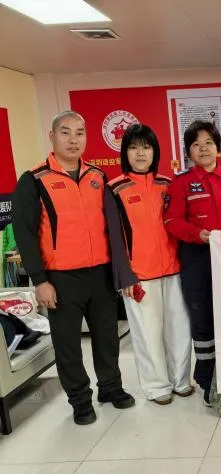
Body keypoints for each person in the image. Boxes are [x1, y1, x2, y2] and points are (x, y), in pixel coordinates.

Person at [11, 111, 134, 425]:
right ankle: (80, 400)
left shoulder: (97, 177)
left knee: (107, 337)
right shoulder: (34, 180)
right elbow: (25, 234)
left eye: (80, 132)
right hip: (61, 278)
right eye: (65, 132)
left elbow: (112, 228)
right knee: (68, 345)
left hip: (100, 274)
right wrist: (40, 280)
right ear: (52, 136)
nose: (73, 139)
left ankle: (110, 387)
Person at [164, 120, 221, 406]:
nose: (203, 149)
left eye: (208, 143)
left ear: (217, 148)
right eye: (196, 144)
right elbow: (172, 221)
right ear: (188, 152)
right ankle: (207, 379)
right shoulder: (180, 182)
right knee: (203, 317)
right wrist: (197, 235)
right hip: (197, 258)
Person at [104, 124, 193, 405]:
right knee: (147, 335)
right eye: (133, 147)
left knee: (179, 331)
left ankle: (181, 381)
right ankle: (157, 387)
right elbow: (114, 237)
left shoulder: (168, 184)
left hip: (175, 271)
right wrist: (125, 276)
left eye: (146, 147)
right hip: (140, 276)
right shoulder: (114, 189)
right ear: (125, 152)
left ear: (155, 151)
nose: (140, 153)